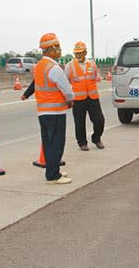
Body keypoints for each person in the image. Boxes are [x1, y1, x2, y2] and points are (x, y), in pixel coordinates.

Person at [32, 33, 74, 184]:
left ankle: (52, 170)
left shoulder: (38, 66)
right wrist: (70, 100)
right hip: (56, 111)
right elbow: (67, 89)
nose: (60, 50)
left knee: (48, 143)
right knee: (57, 143)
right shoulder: (54, 68)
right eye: (58, 47)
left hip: (43, 112)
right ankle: (52, 176)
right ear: (51, 49)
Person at [65, 41, 105, 151]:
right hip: (78, 99)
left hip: (92, 97)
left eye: (80, 53)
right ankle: (82, 143)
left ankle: (96, 139)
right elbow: (66, 81)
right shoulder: (70, 66)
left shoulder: (92, 64)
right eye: (76, 53)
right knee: (79, 122)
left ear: (85, 53)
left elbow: (94, 76)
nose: (78, 55)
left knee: (99, 120)